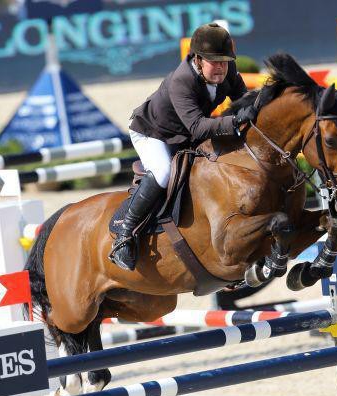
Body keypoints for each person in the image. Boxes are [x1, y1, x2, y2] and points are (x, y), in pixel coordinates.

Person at [110, 22, 257, 271]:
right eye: (215, 61)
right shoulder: (182, 80)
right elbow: (198, 127)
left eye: (225, 60)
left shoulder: (227, 69)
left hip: (184, 134)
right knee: (164, 173)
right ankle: (125, 236)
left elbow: (244, 100)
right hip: (153, 133)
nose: (221, 67)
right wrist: (234, 121)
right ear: (198, 59)